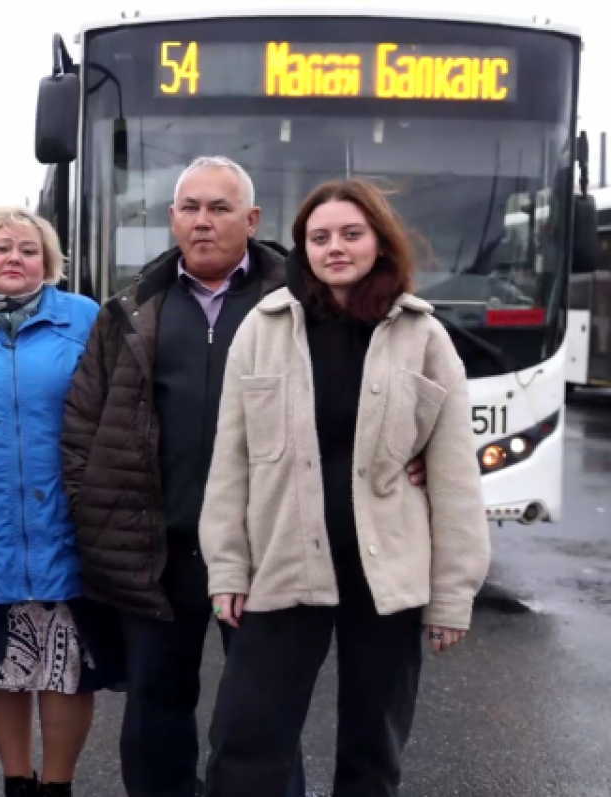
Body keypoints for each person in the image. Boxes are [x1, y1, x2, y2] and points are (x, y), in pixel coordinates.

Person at [61, 157, 426, 797]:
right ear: (172, 218)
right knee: (154, 714)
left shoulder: (306, 304)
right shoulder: (128, 310)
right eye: (191, 208)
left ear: (252, 220)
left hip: (266, 549)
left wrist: (404, 453)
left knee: (263, 723)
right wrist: (98, 509)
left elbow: (372, 391)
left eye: (220, 208)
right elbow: (83, 426)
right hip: (156, 549)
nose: (203, 221)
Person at [201, 178, 491, 797]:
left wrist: (452, 595)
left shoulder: (424, 337)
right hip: (283, 564)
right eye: (320, 236)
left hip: (385, 574)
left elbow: (454, 476)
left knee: (372, 750)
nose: (336, 247)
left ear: (380, 243)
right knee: (245, 741)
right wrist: (227, 568)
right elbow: (232, 461)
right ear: (302, 248)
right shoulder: (263, 328)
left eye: (351, 234)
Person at [0, 208, 113, 797]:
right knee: (2, 663)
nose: (15, 258)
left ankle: (57, 785)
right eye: (1, 247)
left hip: (66, 518)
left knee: (66, 664)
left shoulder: (86, 319)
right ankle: (17, 781)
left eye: (29, 250)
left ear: (49, 263)